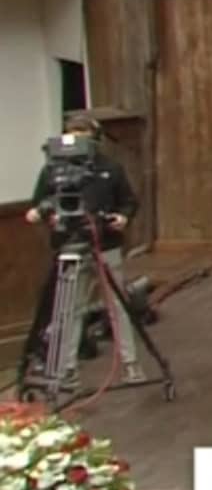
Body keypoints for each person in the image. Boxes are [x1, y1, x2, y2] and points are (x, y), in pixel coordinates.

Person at [23, 112, 144, 390]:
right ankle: (67, 368)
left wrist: (123, 217)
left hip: (105, 244)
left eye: (83, 139)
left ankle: (130, 363)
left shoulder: (110, 168)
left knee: (117, 306)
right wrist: (44, 214)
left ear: (94, 140)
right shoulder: (53, 171)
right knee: (69, 308)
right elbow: (40, 202)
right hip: (69, 245)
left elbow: (128, 201)